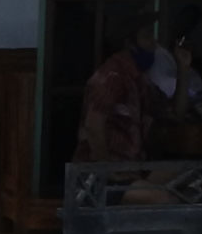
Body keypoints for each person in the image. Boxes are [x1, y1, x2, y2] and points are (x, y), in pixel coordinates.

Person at [74, 34, 186, 163]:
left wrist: (183, 68)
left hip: (132, 168)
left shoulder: (141, 81)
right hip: (102, 173)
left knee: (183, 176)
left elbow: (175, 112)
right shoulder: (112, 76)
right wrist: (108, 172)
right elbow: (93, 126)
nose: (153, 44)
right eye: (147, 36)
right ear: (130, 43)